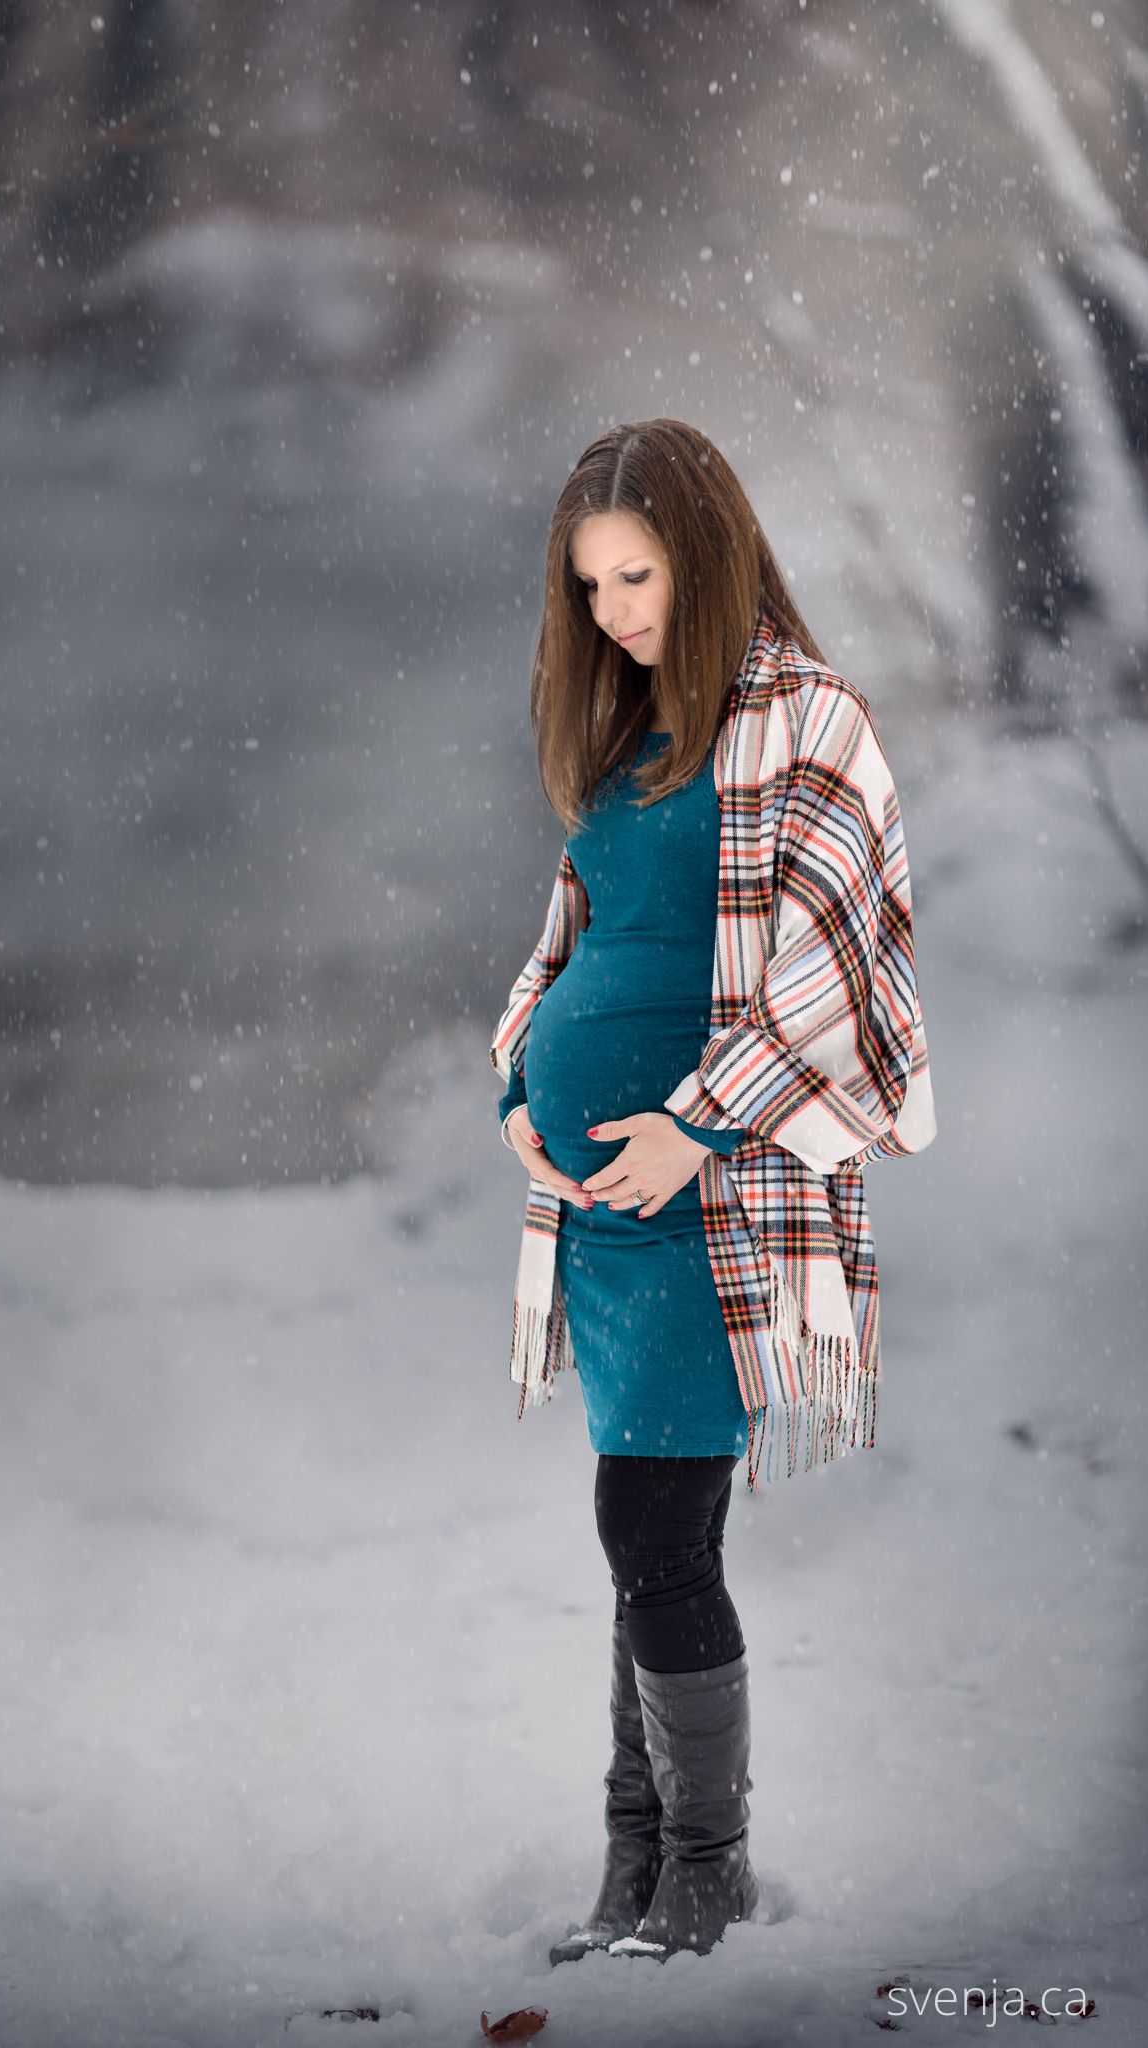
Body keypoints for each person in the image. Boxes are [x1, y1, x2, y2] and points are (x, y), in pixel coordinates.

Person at [488, 418, 937, 1967]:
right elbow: (571, 946)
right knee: (647, 1534)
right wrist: (514, 1096)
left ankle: (706, 1871)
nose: (613, 609)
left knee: (653, 1527)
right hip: (605, 1211)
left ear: (712, 549)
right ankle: (634, 1869)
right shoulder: (628, 740)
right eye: (589, 584)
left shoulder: (811, 725)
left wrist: (694, 1123)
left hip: (721, 1201)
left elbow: (846, 985)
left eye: (638, 572)